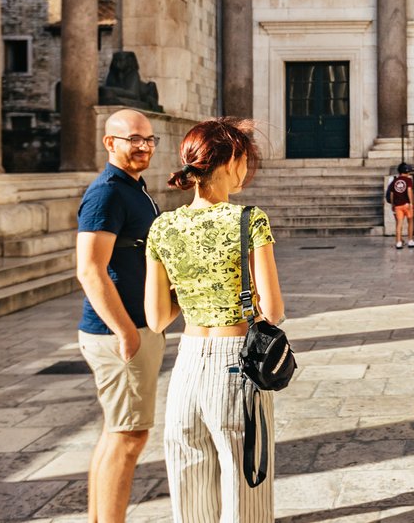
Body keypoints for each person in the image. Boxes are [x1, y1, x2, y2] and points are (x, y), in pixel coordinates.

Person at [145, 118, 283, 523]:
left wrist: (194, 288)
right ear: (231, 160)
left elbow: (157, 318)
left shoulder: (163, 227)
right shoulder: (249, 220)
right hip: (237, 365)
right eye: (245, 159)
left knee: (191, 496)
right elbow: (273, 310)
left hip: (186, 367)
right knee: (246, 494)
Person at [75, 108, 166, 523]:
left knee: (117, 432)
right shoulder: (107, 191)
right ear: (110, 142)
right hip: (120, 332)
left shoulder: (134, 187)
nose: (143, 146)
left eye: (148, 139)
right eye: (134, 139)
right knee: (130, 436)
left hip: (131, 327)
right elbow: (89, 267)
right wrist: (126, 331)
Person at [387, 163, 414, 249]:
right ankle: (410, 240)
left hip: (397, 205)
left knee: (399, 224)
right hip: (407, 204)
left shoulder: (394, 181)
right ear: (407, 172)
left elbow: (392, 194)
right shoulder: (408, 180)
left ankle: (398, 242)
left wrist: (393, 204)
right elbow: (409, 191)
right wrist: (411, 203)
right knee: (410, 222)